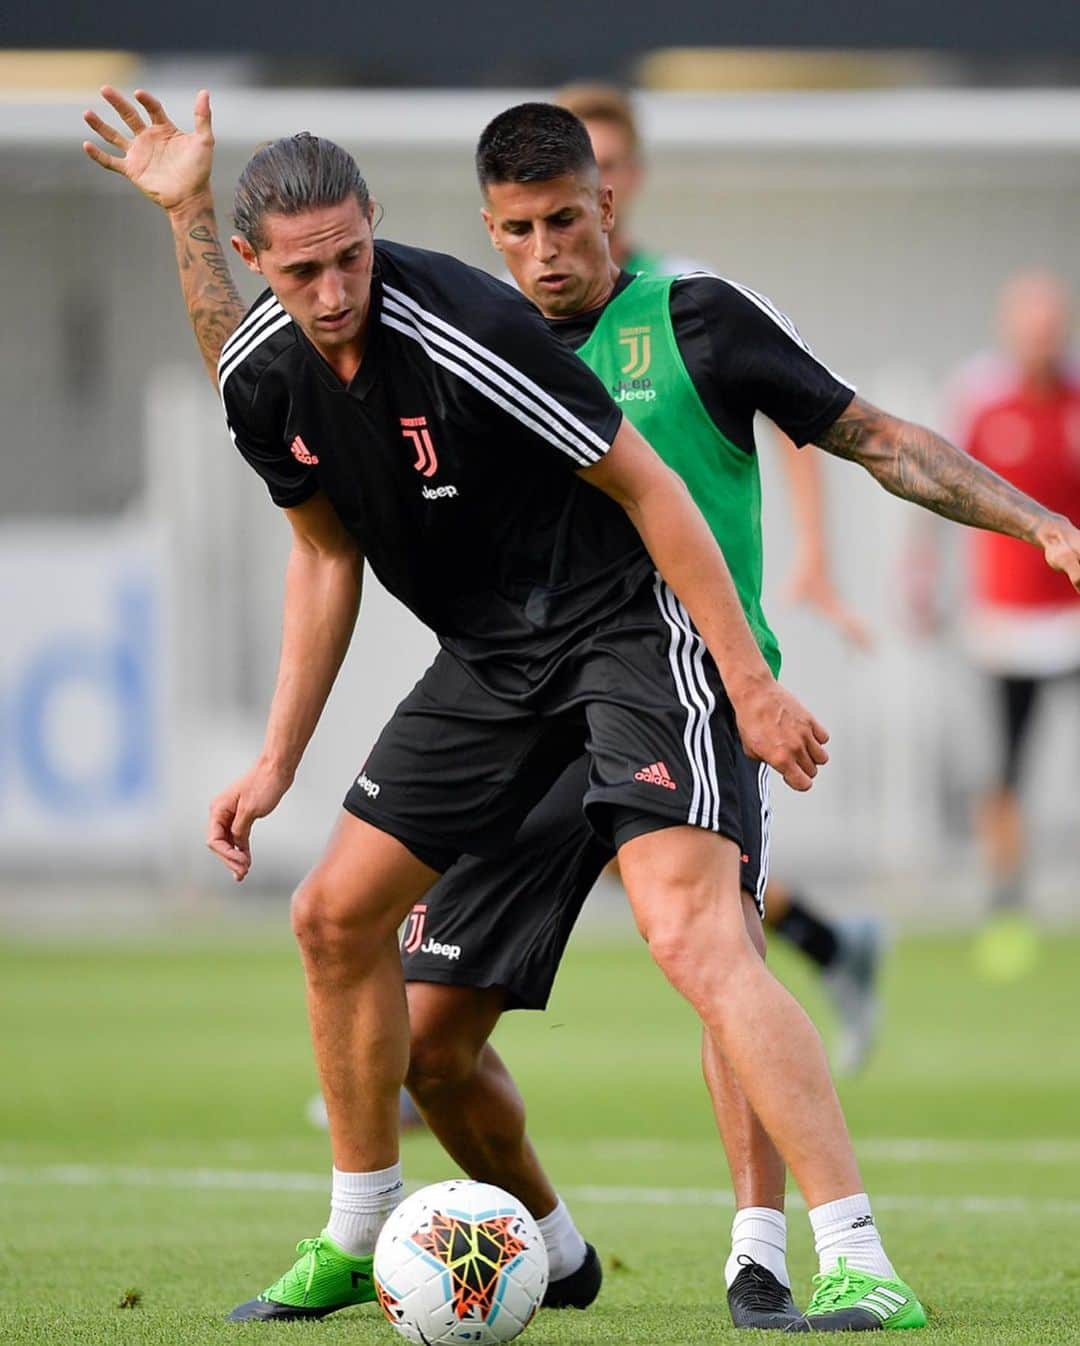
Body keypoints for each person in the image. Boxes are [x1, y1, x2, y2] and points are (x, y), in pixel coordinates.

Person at [82, 90, 1080, 1333]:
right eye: (305, 269)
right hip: (497, 663)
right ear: (261, 262)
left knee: (693, 932)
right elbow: (312, 525)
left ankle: (843, 1253)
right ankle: (432, 1236)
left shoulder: (494, 325)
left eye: (351, 257)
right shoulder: (281, 367)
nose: (335, 289)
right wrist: (276, 758)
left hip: (634, 639)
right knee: (349, 936)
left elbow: (678, 479)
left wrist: (759, 678)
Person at [557, 80, 883, 1071]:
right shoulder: (507, 316)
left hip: (675, 654)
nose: (595, 187)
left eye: (609, 167)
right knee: (605, 854)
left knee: (672, 883)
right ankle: (419, 1049)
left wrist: (816, 557)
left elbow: (800, 415)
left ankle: (413, 1060)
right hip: (555, 645)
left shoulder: (682, 300)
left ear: (626, 183)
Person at [940, 271, 1080, 977]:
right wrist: (922, 572)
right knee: (1005, 776)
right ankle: (1005, 906)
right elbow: (944, 484)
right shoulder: (982, 399)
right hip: (1004, 624)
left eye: (1051, 326)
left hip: (1075, 618)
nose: (1041, 339)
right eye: (1030, 326)